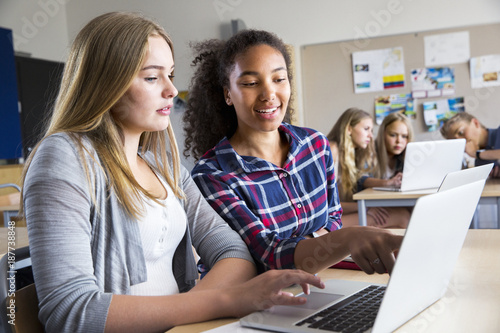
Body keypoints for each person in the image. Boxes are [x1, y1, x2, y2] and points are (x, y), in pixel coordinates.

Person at [20, 12, 325, 333]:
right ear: (106, 83)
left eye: (171, 74)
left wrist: (189, 315)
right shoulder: (64, 157)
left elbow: (232, 251)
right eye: (152, 77)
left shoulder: (162, 166)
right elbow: (70, 311)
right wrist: (226, 301)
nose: (171, 90)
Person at [183, 29, 403, 275]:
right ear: (227, 94)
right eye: (251, 83)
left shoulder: (316, 146)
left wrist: (316, 247)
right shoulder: (213, 175)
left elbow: (332, 218)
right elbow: (267, 255)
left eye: (279, 79)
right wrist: (343, 240)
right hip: (250, 303)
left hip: (317, 280)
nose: (269, 95)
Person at [326, 109, 410, 228]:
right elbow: (323, 204)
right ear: (349, 129)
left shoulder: (349, 155)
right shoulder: (332, 149)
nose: (371, 135)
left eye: (371, 130)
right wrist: (365, 207)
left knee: (403, 215)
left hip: (337, 214)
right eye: (366, 129)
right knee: (402, 217)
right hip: (325, 221)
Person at [440, 111, 500, 177]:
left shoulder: (477, 155)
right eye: (456, 141)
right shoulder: (480, 162)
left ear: (475, 123)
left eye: (461, 132)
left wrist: (475, 154)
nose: (462, 140)